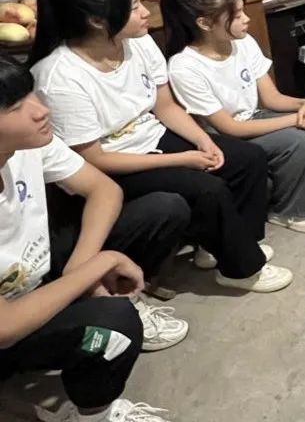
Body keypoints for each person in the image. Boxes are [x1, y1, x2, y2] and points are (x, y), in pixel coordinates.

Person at [28, 0, 292, 293]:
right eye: (134, 7)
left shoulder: (138, 42)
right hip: (116, 162)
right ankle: (240, 269)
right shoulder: (59, 77)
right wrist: (183, 159)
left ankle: (228, 244)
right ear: (96, 20)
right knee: (206, 188)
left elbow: (164, 106)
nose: (145, 13)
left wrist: (203, 140)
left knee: (245, 158)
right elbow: (96, 159)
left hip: (152, 136)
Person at [0, 55, 177, 422]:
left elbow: (103, 190)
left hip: (32, 275)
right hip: (7, 324)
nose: (40, 110)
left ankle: (98, 299)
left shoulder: (27, 145)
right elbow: (5, 327)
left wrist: (80, 269)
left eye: (31, 94)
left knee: (162, 209)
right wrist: (101, 264)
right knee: (114, 322)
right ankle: (95, 414)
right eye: (16, 107)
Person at [162, 0, 305, 234]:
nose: (246, 19)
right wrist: (296, 119)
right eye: (236, 16)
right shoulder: (184, 67)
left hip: (254, 116)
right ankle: (290, 211)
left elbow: (271, 98)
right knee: (297, 139)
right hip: (224, 137)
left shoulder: (243, 43)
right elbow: (229, 128)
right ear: (204, 23)